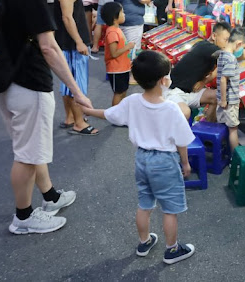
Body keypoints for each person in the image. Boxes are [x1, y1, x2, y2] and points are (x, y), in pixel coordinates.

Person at [0, 0, 93, 234]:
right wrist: (77, 91)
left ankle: (50, 197)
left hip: (7, 79)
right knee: (26, 156)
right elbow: (49, 48)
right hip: (28, 82)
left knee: (30, 148)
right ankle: (23, 218)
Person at [81, 51, 196, 264]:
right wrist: (186, 163)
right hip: (164, 162)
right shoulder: (171, 108)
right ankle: (172, 250)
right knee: (170, 209)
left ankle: (144, 242)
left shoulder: (132, 101)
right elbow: (182, 141)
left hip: (142, 160)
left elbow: (109, 114)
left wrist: (88, 109)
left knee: (145, 203)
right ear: (164, 80)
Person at [166, 22, 245, 121]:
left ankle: (207, 127)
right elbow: (237, 55)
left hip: (190, 91)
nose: (227, 44)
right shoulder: (208, 48)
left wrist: (204, 81)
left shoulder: (205, 45)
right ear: (214, 36)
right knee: (185, 112)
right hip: (175, 92)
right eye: (225, 40)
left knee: (216, 97)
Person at [53, 0, 98, 136]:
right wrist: (79, 41)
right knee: (76, 84)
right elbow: (67, 18)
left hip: (69, 43)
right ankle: (79, 123)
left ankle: (71, 117)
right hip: (72, 45)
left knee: (69, 83)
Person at [113, 0, 151, 84]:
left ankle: (123, 72)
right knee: (133, 48)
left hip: (123, 18)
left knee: (125, 47)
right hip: (132, 20)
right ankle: (133, 76)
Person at [217, 27, 245, 151]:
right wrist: (224, 100)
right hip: (229, 101)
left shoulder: (222, 54)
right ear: (238, 44)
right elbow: (223, 79)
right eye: (244, 48)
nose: (243, 51)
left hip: (222, 99)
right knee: (233, 130)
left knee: (223, 126)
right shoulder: (231, 59)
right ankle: (235, 157)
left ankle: (223, 152)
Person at [100, 2, 133, 105]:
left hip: (123, 67)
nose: (124, 14)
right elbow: (114, 53)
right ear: (115, 17)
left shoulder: (116, 29)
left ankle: (120, 112)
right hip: (116, 69)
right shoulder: (112, 32)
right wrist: (128, 47)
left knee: (123, 91)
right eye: (122, 12)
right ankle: (115, 114)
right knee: (118, 93)